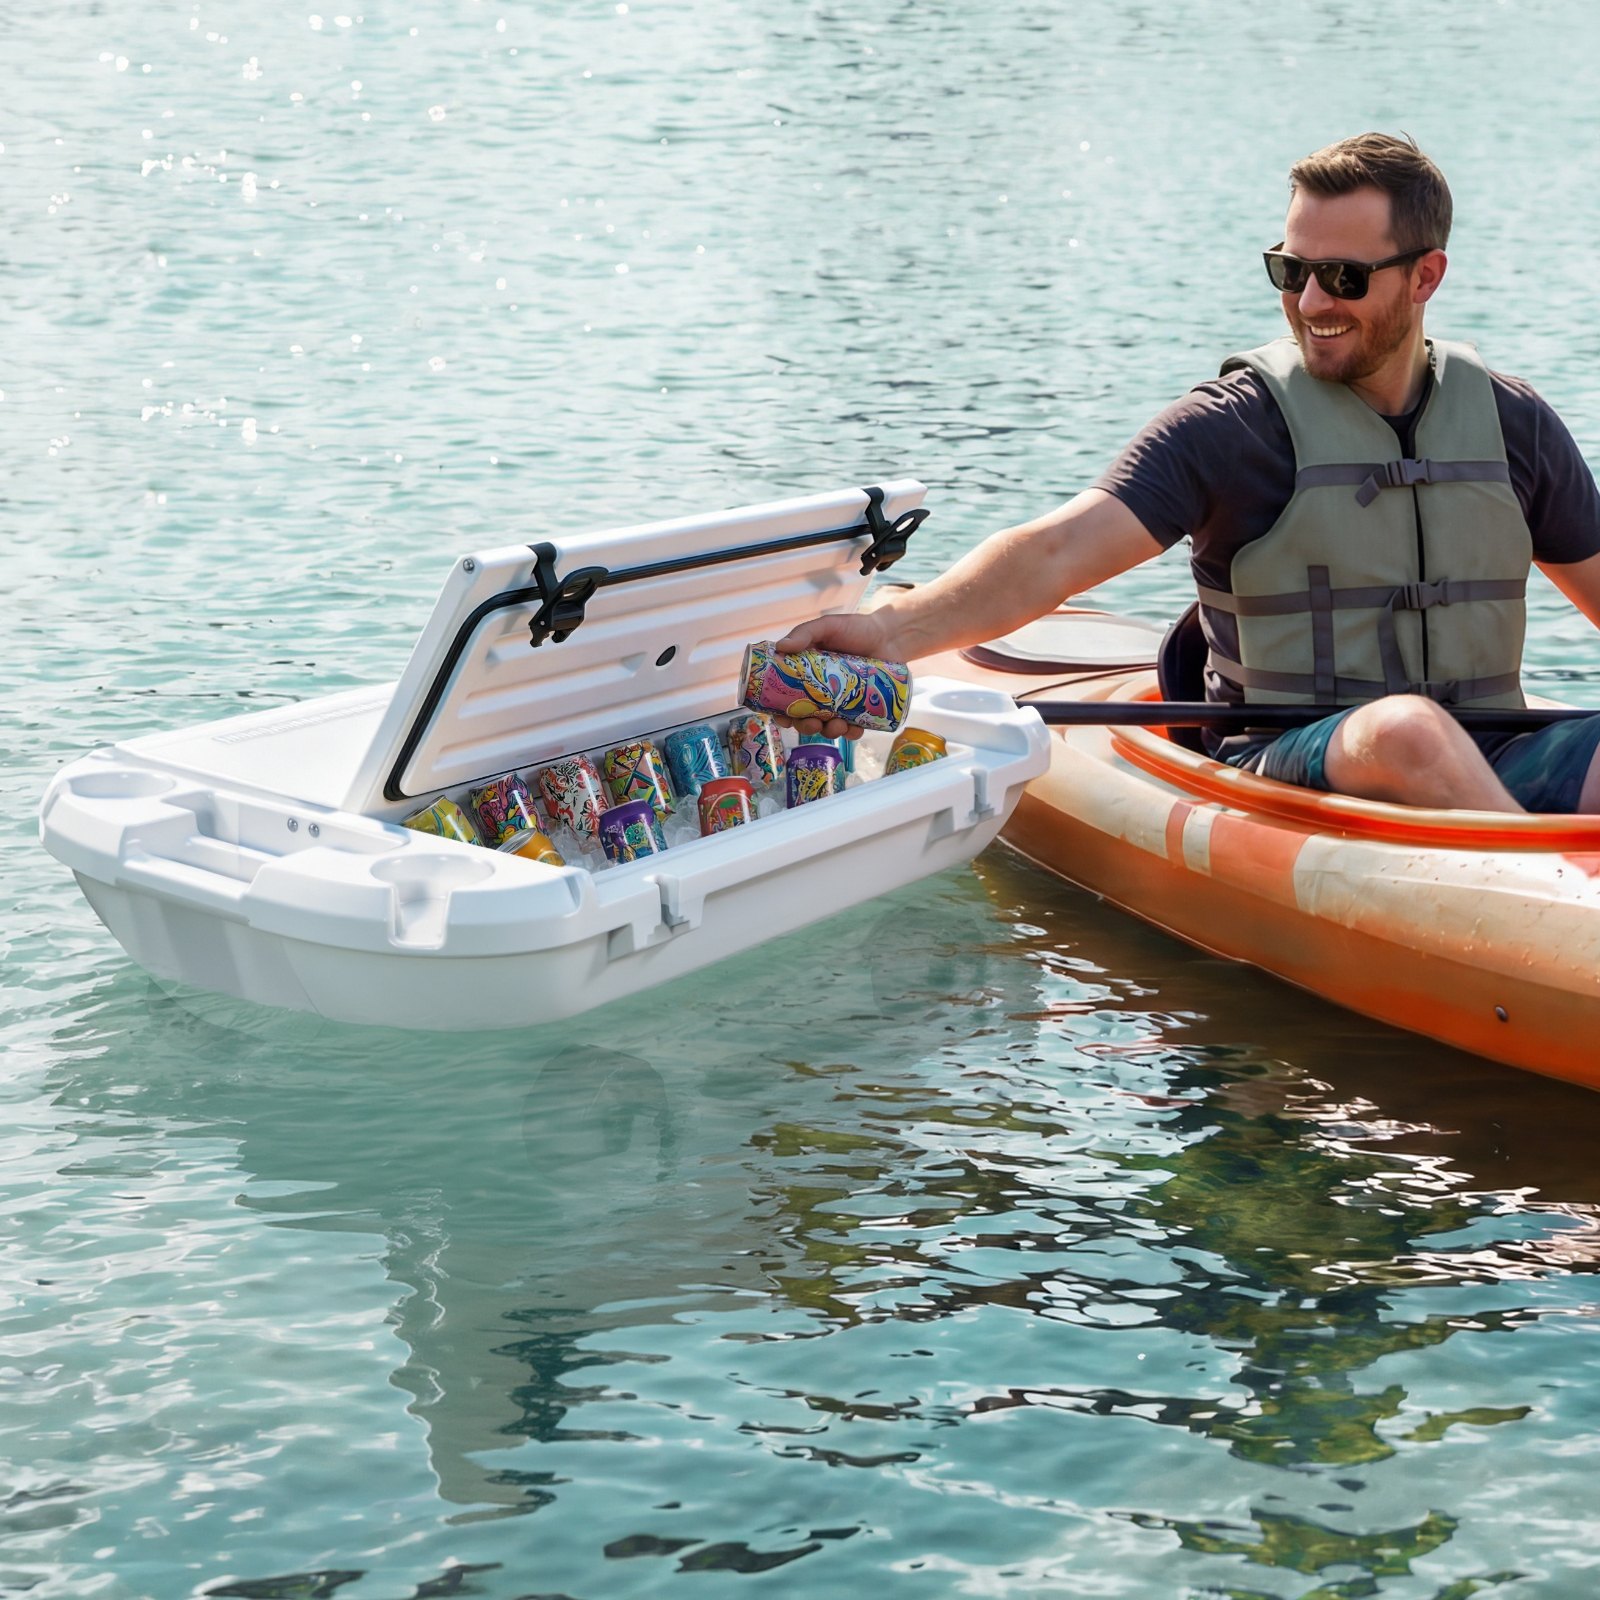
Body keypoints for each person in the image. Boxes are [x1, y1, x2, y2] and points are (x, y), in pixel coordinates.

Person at [780, 133, 1600, 814]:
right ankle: (1548, 907)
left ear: (1426, 277)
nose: (1311, 300)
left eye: (1343, 277)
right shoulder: (1232, 427)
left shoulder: (1512, 424)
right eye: (1291, 270)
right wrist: (890, 634)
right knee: (1404, 732)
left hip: (1497, 756)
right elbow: (1058, 552)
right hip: (1289, 766)